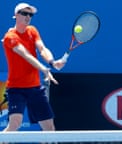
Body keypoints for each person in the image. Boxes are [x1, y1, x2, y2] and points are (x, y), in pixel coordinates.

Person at [2, 2, 65, 131]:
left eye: (30, 14)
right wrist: (44, 69)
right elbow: (25, 54)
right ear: (16, 15)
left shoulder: (32, 30)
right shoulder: (10, 37)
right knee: (15, 124)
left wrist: (52, 62)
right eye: (24, 13)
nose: (28, 17)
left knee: (49, 127)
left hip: (35, 87)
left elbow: (42, 48)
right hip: (16, 88)